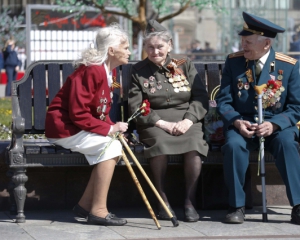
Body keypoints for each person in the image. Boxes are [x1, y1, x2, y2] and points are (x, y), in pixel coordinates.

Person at [216, 12, 300, 224]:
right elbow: (223, 101)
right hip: (242, 122)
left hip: (277, 124)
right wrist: (236, 121)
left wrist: (274, 125)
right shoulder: (234, 62)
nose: (242, 46)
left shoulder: (288, 65)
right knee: (234, 146)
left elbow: (296, 107)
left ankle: (298, 205)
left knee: (287, 144)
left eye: (248, 42)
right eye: (242, 41)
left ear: (266, 43)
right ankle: (236, 206)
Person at [45, 23, 131, 226]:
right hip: (64, 128)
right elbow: (78, 113)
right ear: (111, 50)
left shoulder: (107, 71)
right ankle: (98, 210)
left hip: (76, 127)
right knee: (112, 147)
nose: (129, 52)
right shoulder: (92, 70)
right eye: (126, 47)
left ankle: (85, 206)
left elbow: (98, 111)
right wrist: (110, 130)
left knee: (113, 146)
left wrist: (112, 129)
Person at [128, 20, 208, 222]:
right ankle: (161, 199)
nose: (155, 52)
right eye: (150, 47)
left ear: (169, 45)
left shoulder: (184, 64)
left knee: (194, 145)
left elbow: (200, 98)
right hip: (154, 122)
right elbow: (136, 105)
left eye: (159, 47)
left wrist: (189, 121)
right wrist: (162, 123)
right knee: (160, 145)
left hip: (186, 119)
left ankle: (190, 201)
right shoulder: (139, 70)